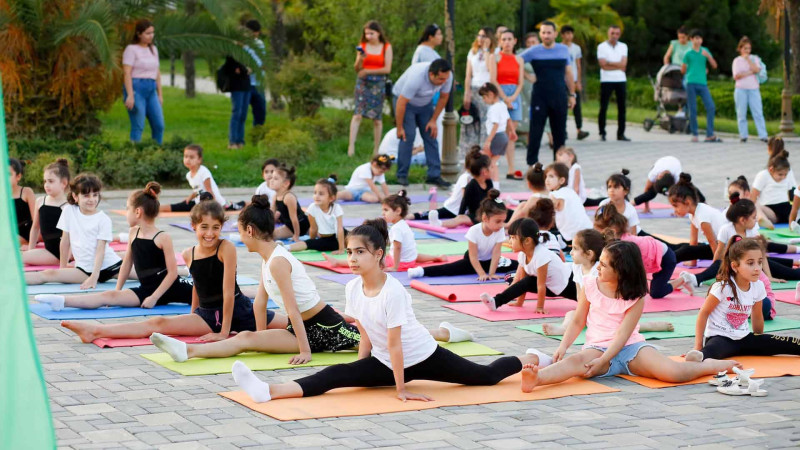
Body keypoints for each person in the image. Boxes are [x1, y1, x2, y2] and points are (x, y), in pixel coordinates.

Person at [230, 219, 539, 405]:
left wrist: (402, 390)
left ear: (378, 255)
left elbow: (395, 344)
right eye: (349, 252)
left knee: (484, 376)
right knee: (336, 374)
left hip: (424, 355)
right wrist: (359, 369)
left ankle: (531, 358)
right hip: (385, 361)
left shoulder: (394, 292)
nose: (352, 258)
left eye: (359, 252)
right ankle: (268, 390)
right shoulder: (352, 288)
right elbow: (366, 335)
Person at [151, 195, 355, 365]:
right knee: (246, 338)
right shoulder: (268, 259)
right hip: (301, 329)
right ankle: (187, 351)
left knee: (371, 341)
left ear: (249, 231)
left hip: (327, 327)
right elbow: (259, 304)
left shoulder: (277, 261)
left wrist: (305, 352)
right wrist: (260, 337)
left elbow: (292, 310)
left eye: (240, 232)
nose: (239, 237)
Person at [519, 241, 741, 394]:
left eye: (605, 265)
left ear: (622, 271)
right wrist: (563, 346)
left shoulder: (636, 296)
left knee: (673, 373)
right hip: (597, 346)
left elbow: (623, 335)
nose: (598, 267)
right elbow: (578, 320)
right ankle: (538, 378)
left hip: (631, 348)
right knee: (574, 363)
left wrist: (604, 362)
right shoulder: (589, 284)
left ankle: (710, 365)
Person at [61, 201, 271, 343]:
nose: (210, 233)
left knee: (289, 325)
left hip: (240, 311)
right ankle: (95, 330)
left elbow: (227, 292)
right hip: (207, 315)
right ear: (193, 226)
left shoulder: (226, 248)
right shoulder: (189, 254)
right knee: (157, 323)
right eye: (204, 227)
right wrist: (193, 315)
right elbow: (197, 287)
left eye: (216, 228)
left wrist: (224, 332)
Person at [35, 182, 193, 311]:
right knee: (108, 296)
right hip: (146, 289)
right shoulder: (134, 233)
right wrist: (118, 291)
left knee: (207, 294)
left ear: (137, 212)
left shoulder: (163, 237)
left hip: (172, 288)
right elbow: (126, 264)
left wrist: (154, 298)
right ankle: (62, 301)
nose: (126, 212)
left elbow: (172, 274)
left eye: (127, 208)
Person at [687, 237, 800, 368]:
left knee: (788, 343)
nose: (757, 268)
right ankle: (700, 357)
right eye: (751, 263)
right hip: (721, 338)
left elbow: (757, 316)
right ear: (735, 266)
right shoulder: (723, 287)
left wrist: (760, 340)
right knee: (713, 350)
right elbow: (703, 313)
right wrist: (698, 345)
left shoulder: (758, 286)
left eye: (759, 262)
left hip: (744, 338)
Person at [25, 173, 125, 288]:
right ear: (75, 196)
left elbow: (100, 250)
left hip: (110, 266)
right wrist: (62, 269)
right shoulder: (69, 211)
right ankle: (9, 280)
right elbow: (65, 242)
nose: (92, 199)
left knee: (145, 274)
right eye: (86, 195)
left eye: (95, 195)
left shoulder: (103, 219)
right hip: (83, 270)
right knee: (48, 274)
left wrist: (94, 277)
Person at [408, 191, 518, 280]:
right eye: (498, 221)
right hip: (471, 261)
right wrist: (481, 274)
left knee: (518, 265)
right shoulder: (474, 231)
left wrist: (491, 273)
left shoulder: (499, 230)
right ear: (485, 218)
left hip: (490, 262)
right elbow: (473, 256)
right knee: (449, 269)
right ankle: (420, 271)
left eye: (503, 221)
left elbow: (496, 253)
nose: (501, 225)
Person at [480, 218, 576, 313]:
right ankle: (496, 302)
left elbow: (541, 286)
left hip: (570, 282)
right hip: (552, 286)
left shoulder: (541, 256)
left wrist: (540, 307)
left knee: (588, 301)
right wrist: (519, 302)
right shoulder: (523, 255)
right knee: (526, 281)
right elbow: (523, 284)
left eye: (513, 238)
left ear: (527, 241)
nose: (510, 242)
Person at [519, 21, 576, 166]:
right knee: (536, 131)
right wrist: (527, 76)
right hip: (540, 97)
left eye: (549, 32)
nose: (546, 35)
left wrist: (572, 94)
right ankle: (532, 163)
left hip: (559, 96)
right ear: (540, 34)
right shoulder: (534, 51)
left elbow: (569, 73)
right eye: (543, 32)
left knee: (559, 133)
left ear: (555, 34)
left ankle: (559, 164)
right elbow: (516, 60)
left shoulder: (563, 50)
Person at [594, 205, 677, 299]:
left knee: (656, 293)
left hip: (666, 258)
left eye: (599, 229)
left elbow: (632, 271)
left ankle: (685, 279)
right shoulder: (616, 241)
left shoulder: (624, 246)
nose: (597, 232)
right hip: (655, 252)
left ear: (613, 230)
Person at [392, 59, 453, 188]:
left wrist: (433, 120)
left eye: (446, 79)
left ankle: (434, 175)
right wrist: (399, 127)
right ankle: (402, 174)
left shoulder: (447, 76)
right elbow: (401, 103)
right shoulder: (417, 77)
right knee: (408, 135)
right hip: (405, 103)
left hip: (425, 104)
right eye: (441, 79)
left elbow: (444, 97)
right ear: (432, 74)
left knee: (431, 134)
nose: (444, 82)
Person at [348, 21, 393, 157]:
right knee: (358, 114)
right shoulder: (362, 46)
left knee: (377, 118)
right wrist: (360, 59)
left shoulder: (386, 47)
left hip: (378, 83)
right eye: (366, 33)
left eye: (371, 33)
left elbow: (387, 68)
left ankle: (376, 149)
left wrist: (368, 71)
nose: (368, 36)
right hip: (363, 82)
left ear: (378, 33)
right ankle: (351, 148)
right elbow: (357, 68)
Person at [667, 173, 727, 263]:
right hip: (719, 246)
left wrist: (718, 266)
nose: (675, 210)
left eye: (676, 206)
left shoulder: (702, 216)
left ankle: (663, 264)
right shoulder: (693, 213)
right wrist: (693, 263)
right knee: (684, 247)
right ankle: (663, 262)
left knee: (684, 250)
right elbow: (693, 241)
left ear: (687, 202)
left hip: (727, 249)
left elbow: (713, 243)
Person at [410, 147, 480, 222]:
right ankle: (410, 216)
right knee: (429, 214)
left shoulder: (481, 179)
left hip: (461, 211)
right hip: (453, 209)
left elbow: (490, 196)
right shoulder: (466, 177)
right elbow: (465, 198)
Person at [381, 191, 447, 271]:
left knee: (378, 260)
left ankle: (394, 265)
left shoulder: (396, 228)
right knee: (414, 254)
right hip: (411, 260)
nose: (383, 213)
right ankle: (436, 258)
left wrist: (395, 267)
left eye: (386, 210)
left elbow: (397, 247)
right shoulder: (403, 224)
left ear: (398, 211)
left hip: (402, 264)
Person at [122, 19, 164, 145]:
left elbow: (157, 72)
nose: (151, 36)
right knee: (138, 125)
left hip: (151, 89)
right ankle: (134, 154)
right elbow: (127, 73)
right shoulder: (131, 49)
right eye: (147, 33)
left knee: (159, 125)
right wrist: (130, 95)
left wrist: (160, 94)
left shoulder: (153, 49)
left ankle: (156, 152)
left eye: (152, 33)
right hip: (136, 88)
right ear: (139, 34)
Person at [22, 159, 70, 266]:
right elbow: (35, 228)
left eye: (51, 181)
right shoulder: (40, 202)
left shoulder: (67, 206)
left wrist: (66, 260)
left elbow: (73, 236)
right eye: (45, 181)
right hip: (49, 250)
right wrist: (31, 250)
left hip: (63, 253)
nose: (46, 185)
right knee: (18, 257)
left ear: (64, 183)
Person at [493, 29, 525, 180]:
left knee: (511, 134)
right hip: (500, 95)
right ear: (499, 41)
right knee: (501, 133)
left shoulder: (519, 59)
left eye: (509, 39)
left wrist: (512, 98)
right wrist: (505, 98)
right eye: (503, 39)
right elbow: (493, 80)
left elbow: (520, 83)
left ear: (515, 41)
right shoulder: (495, 58)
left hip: (515, 96)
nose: (506, 42)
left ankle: (511, 168)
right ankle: (493, 164)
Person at [459, 28, 496, 155]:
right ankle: (469, 152)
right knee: (471, 120)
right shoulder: (472, 52)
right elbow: (468, 75)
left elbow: (490, 69)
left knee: (485, 121)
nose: (480, 38)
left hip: (486, 89)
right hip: (474, 88)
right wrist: (466, 93)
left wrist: (486, 50)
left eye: (484, 36)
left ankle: (484, 151)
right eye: (479, 35)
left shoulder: (493, 53)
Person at [160, 145, 228, 212]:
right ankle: (155, 208)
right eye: (186, 156)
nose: (188, 160)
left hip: (211, 203)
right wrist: (190, 197)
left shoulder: (204, 172)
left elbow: (209, 191)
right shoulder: (188, 175)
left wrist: (216, 207)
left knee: (182, 207)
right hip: (199, 203)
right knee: (179, 206)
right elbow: (198, 190)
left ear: (199, 160)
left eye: (191, 157)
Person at [285, 178, 344, 254]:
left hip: (338, 238)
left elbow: (340, 229)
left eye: (321, 194)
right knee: (309, 243)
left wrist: (341, 249)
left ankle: (286, 248)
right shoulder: (312, 207)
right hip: (324, 239)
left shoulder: (336, 208)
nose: (317, 196)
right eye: (315, 193)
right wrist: (312, 241)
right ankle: (285, 247)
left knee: (355, 236)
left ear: (331, 198)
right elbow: (313, 228)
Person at [682, 29, 721, 143]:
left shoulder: (705, 51)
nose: (698, 41)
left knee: (711, 106)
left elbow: (714, 65)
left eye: (700, 38)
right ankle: (695, 133)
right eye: (696, 38)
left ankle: (709, 134)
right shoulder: (688, 54)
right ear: (691, 39)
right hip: (691, 83)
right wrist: (689, 69)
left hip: (703, 83)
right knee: (693, 109)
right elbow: (683, 70)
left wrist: (708, 56)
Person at [545, 163, 593, 244]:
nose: (547, 180)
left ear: (561, 180)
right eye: (546, 176)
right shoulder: (570, 191)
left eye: (551, 176)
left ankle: (563, 244)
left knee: (538, 234)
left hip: (570, 237)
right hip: (588, 232)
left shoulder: (555, 195)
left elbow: (547, 219)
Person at [597, 26, 629, 142]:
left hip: (620, 79)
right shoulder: (601, 47)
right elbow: (603, 65)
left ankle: (621, 133)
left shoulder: (623, 46)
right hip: (606, 80)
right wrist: (617, 65)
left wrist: (610, 63)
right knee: (604, 107)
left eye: (617, 34)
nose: (614, 36)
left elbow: (624, 64)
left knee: (622, 108)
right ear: (608, 33)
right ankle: (602, 132)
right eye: (612, 33)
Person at [733, 36, 768, 143]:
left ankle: (763, 135)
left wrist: (749, 61)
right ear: (740, 49)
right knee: (741, 113)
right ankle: (743, 135)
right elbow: (737, 76)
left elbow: (757, 69)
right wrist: (750, 72)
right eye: (745, 48)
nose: (747, 51)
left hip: (753, 89)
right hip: (740, 89)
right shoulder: (737, 61)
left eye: (749, 48)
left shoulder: (754, 58)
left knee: (758, 112)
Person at [479, 83, 515, 187]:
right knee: (492, 162)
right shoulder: (502, 105)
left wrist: (489, 140)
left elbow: (495, 125)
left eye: (484, 97)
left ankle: (488, 185)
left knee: (485, 161)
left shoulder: (494, 108)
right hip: (503, 137)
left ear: (490, 94)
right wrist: (513, 132)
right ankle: (495, 185)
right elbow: (508, 120)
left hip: (496, 136)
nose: (483, 100)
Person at [751, 149, 796, 224]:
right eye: (780, 174)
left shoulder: (787, 176)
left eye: (785, 174)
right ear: (771, 170)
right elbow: (753, 196)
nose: (783, 177)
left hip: (786, 209)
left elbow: (790, 194)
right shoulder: (763, 175)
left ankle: (795, 221)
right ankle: (763, 219)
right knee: (754, 205)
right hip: (770, 210)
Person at [560, 26, 588, 141]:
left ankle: (579, 129)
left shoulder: (576, 48)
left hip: (574, 80)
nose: (568, 36)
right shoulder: (559, 48)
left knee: (577, 106)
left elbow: (578, 65)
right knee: (563, 107)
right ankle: (563, 130)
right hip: (562, 81)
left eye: (570, 33)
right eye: (566, 33)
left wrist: (578, 81)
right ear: (562, 35)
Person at [219, 53, 252, 149]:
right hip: (237, 87)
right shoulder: (232, 53)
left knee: (243, 114)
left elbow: (248, 67)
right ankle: (232, 141)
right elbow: (235, 68)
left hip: (246, 86)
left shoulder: (246, 51)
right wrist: (245, 69)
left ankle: (240, 140)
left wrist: (244, 70)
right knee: (236, 113)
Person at [270, 165, 309, 242]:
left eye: (275, 178)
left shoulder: (288, 197)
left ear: (286, 183)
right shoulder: (275, 197)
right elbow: (271, 215)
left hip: (304, 225)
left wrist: (296, 235)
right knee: (269, 235)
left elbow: (294, 218)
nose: (271, 180)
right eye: (272, 178)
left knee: (322, 234)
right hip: (289, 227)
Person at [516, 32, 539, 144]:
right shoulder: (521, 53)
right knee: (526, 112)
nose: (531, 44)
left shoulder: (542, 52)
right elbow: (516, 65)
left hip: (539, 85)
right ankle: (527, 138)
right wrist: (527, 75)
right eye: (529, 42)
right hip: (524, 86)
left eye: (533, 42)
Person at [244, 20, 267, 129]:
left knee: (260, 111)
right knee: (241, 112)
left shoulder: (260, 44)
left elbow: (261, 61)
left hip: (258, 83)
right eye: (253, 32)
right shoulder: (241, 44)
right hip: (245, 82)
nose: (255, 34)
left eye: (256, 32)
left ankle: (257, 132)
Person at [10, 158, 35, 245]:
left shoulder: (26, 192)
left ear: (18, 176)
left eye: (8, 174)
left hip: (24, 232)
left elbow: (36, 219)